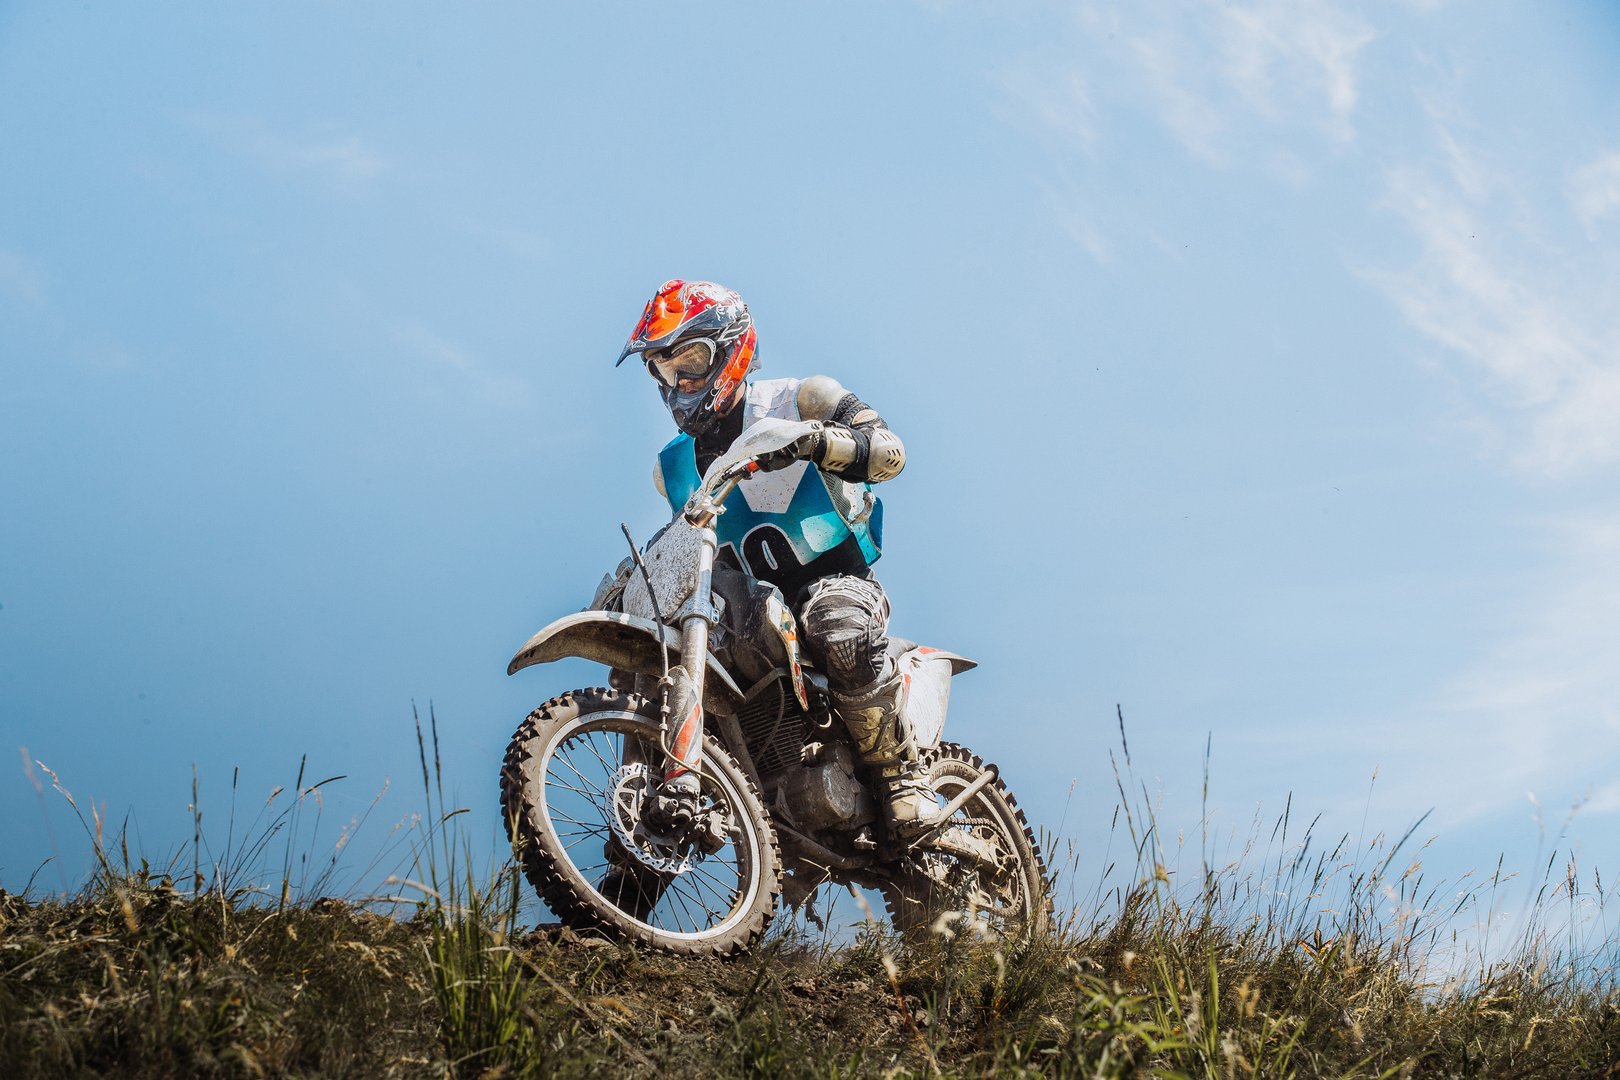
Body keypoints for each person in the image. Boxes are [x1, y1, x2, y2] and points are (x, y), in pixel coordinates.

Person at [616, 279, 933, 831]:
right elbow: (683, 545)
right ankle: (636, 856)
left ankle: (899, 774)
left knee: (837, 624)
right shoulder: (670, 468)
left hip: (834, 582)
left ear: (731, 348)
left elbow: (890, 453)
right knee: (662, 664)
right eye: (663, 371)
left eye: (689, 360)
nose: (679, 382)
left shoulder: (801, 398)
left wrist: (815, 440)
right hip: (744, 609)